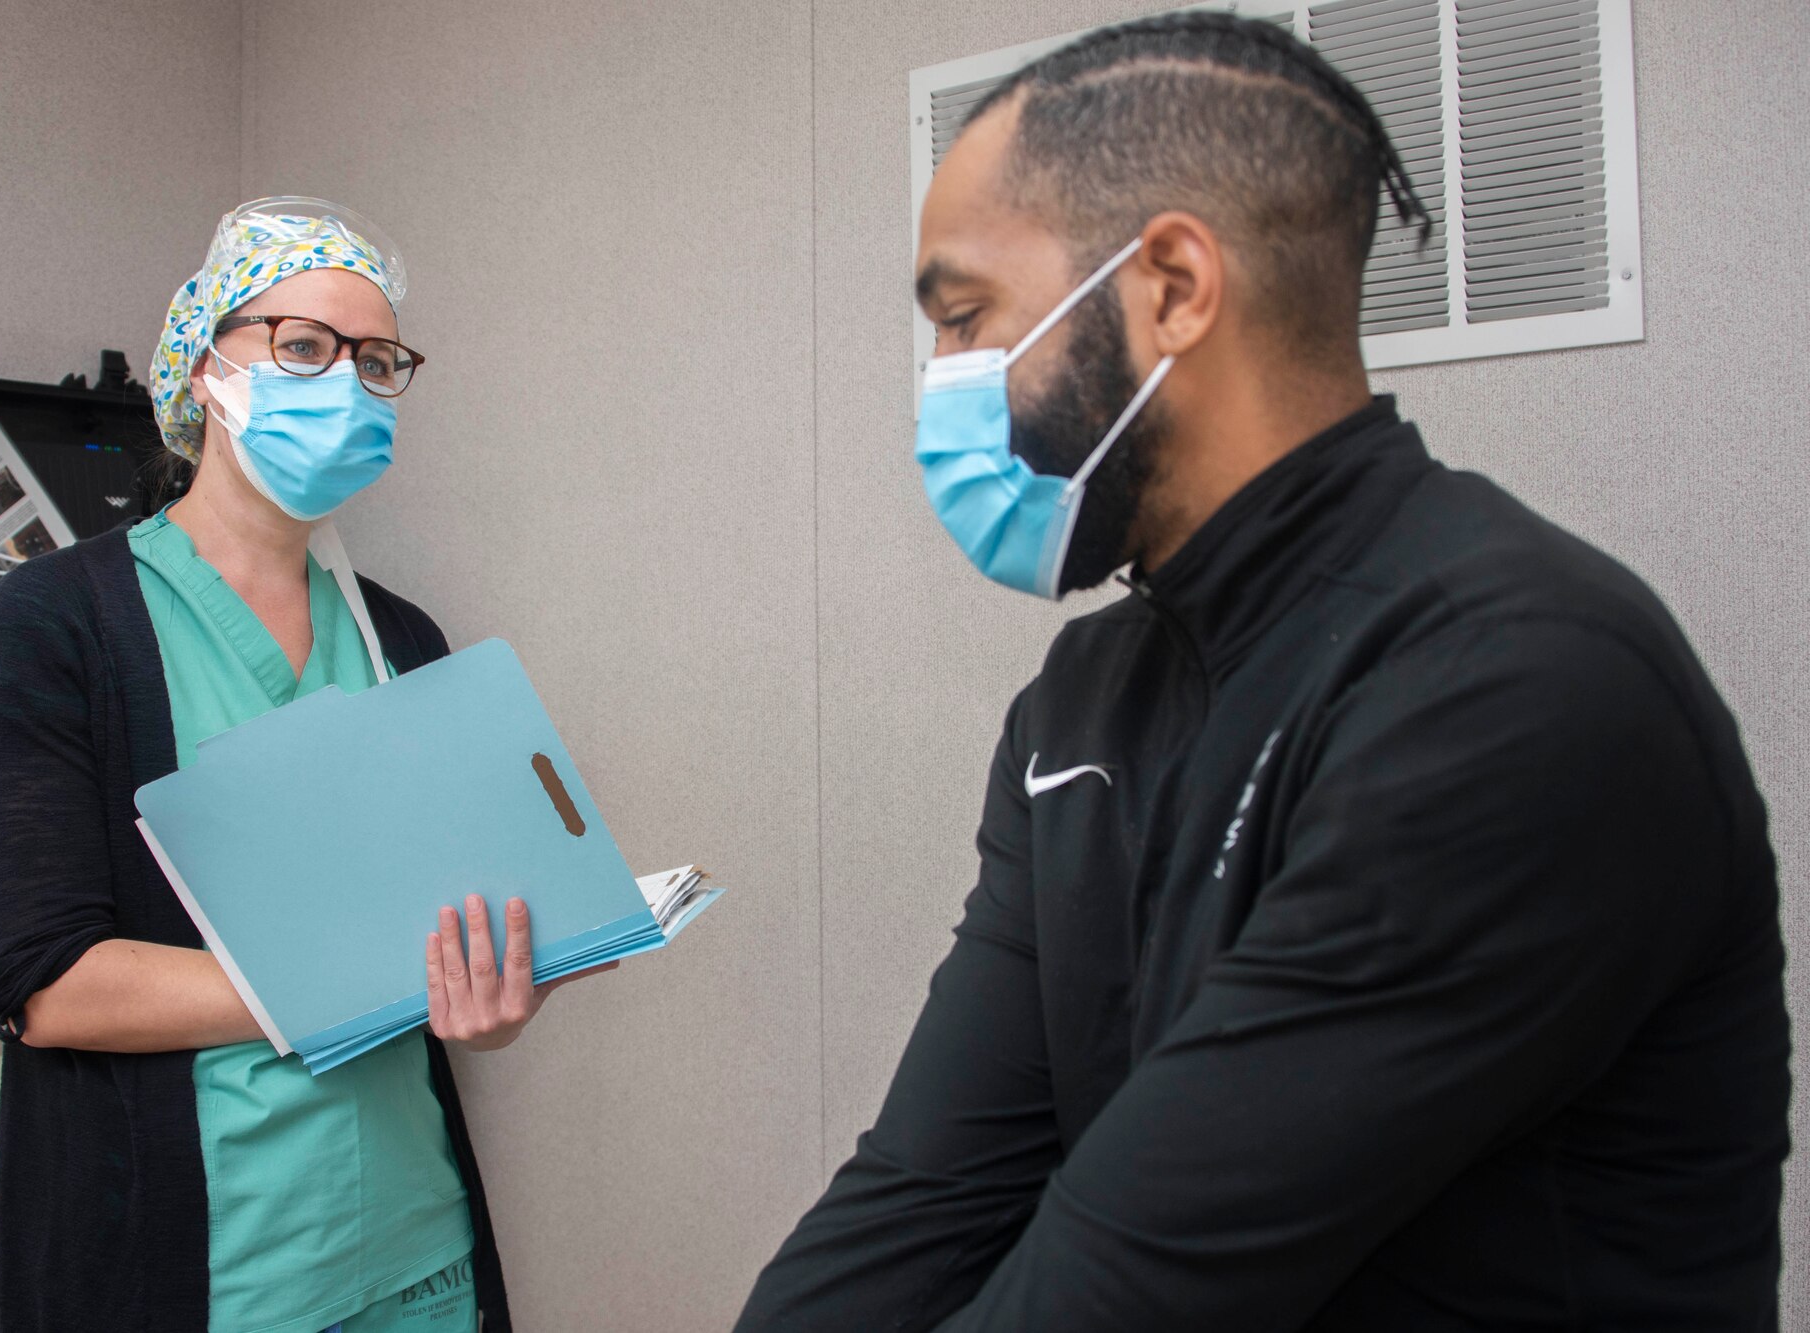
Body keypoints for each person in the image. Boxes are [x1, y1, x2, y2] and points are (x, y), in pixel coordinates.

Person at [738, 15, 1790, 1330]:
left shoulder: (1514, 683)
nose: (942, 386)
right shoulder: (1083, 700)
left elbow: (1133, 1286)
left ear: (1172, 284)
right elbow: (927, 1196)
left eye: (964, 319)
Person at [0, 197, 609, 1332]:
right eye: (304, 347)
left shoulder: (402, 642)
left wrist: (487, 1000)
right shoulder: (55, 624)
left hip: (418, 1253)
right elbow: (50, 983)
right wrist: (366, 978)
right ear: (206, 367)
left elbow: (449, 942)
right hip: (198, 1272)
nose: (345, 383)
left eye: (377, 361)